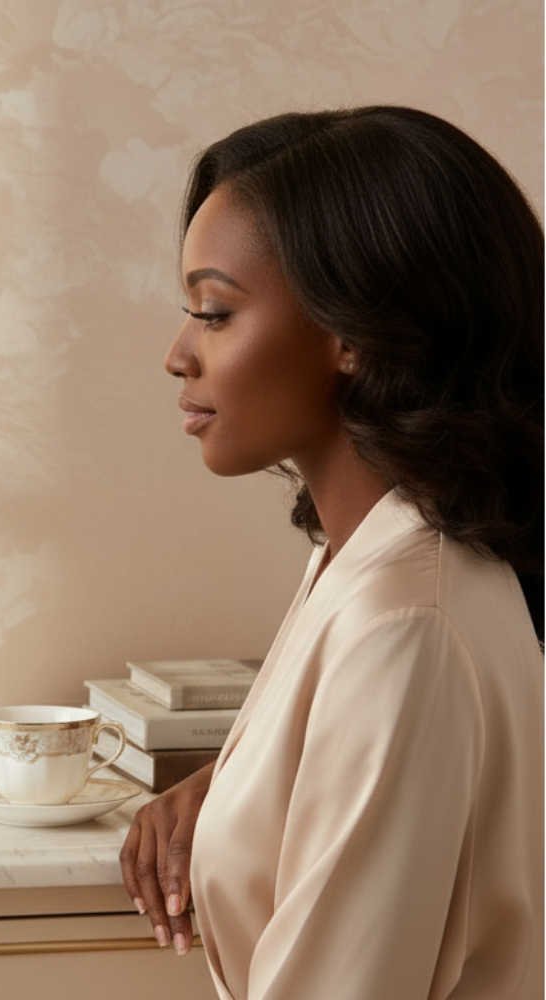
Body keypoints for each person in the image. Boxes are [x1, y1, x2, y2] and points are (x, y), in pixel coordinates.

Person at [119, 106, 544, 999]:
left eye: (215, 311)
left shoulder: (404, 625)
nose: (177, 353)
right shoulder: (375, 564)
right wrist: (237, 786)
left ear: (355, 332)